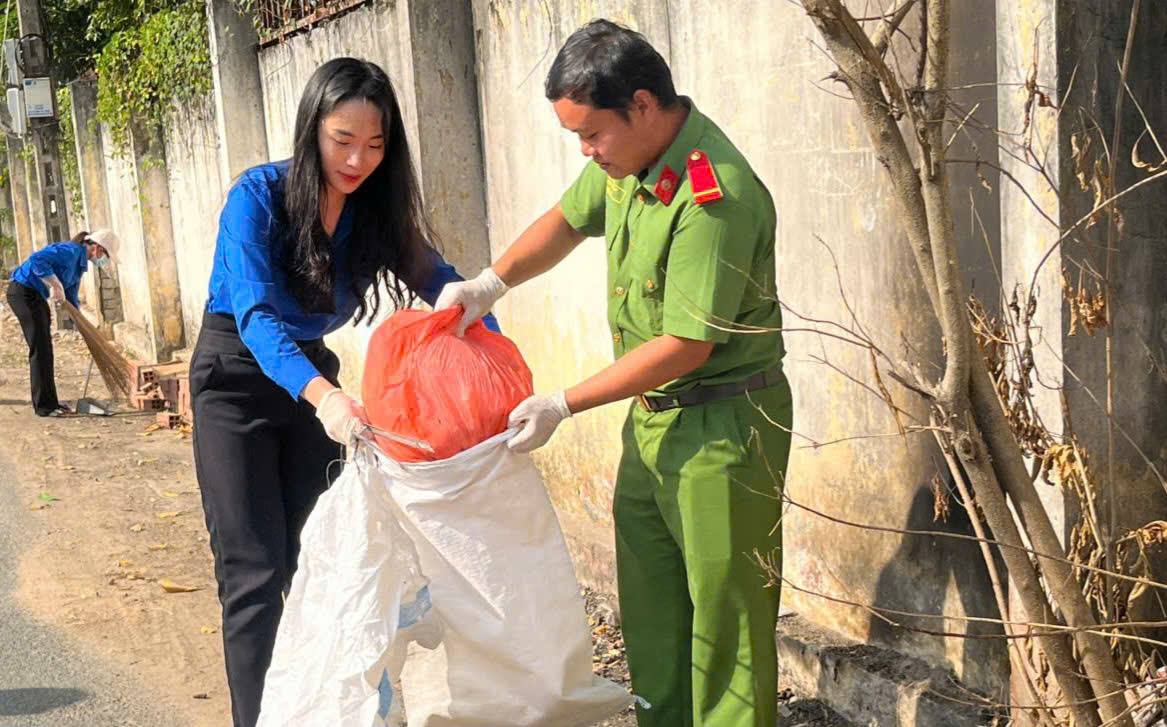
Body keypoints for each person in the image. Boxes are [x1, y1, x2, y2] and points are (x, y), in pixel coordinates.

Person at [436, 20, 792, 727]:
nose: (586, 152)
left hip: (723, 429)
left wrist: (562, 403)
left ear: (642, 105)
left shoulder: (711, 193)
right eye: (577, 137)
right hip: (655, 423)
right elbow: (567, 221)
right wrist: (487, 284)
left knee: (727, 627)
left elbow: (687, 343)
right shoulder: (628, 165)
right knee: (653, 611)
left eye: (591, 134)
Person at [191, 57, 496, 727]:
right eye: (342, 139)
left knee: (320, 560)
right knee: (253, 572)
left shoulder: (373, 214)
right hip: (235, 381)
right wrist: (325, 396)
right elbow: (256, 316)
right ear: (311, 132)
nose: (358, 158)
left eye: (376, 144)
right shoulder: (257, 196)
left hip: (314, 382)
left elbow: (443, 283)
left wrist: (492, 346)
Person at [5, 229, 120, 416]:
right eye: (105, 255)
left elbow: (72, 298)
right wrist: (56, 285)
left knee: (46, 349)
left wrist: (83, 325)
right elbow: (36, 260)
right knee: (40, 349)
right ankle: (44, 407)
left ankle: (52, 403)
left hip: (35, 296)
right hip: (22, 292)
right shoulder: (70, 251)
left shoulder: (79, 265)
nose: (104, 260)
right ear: (97, 248)